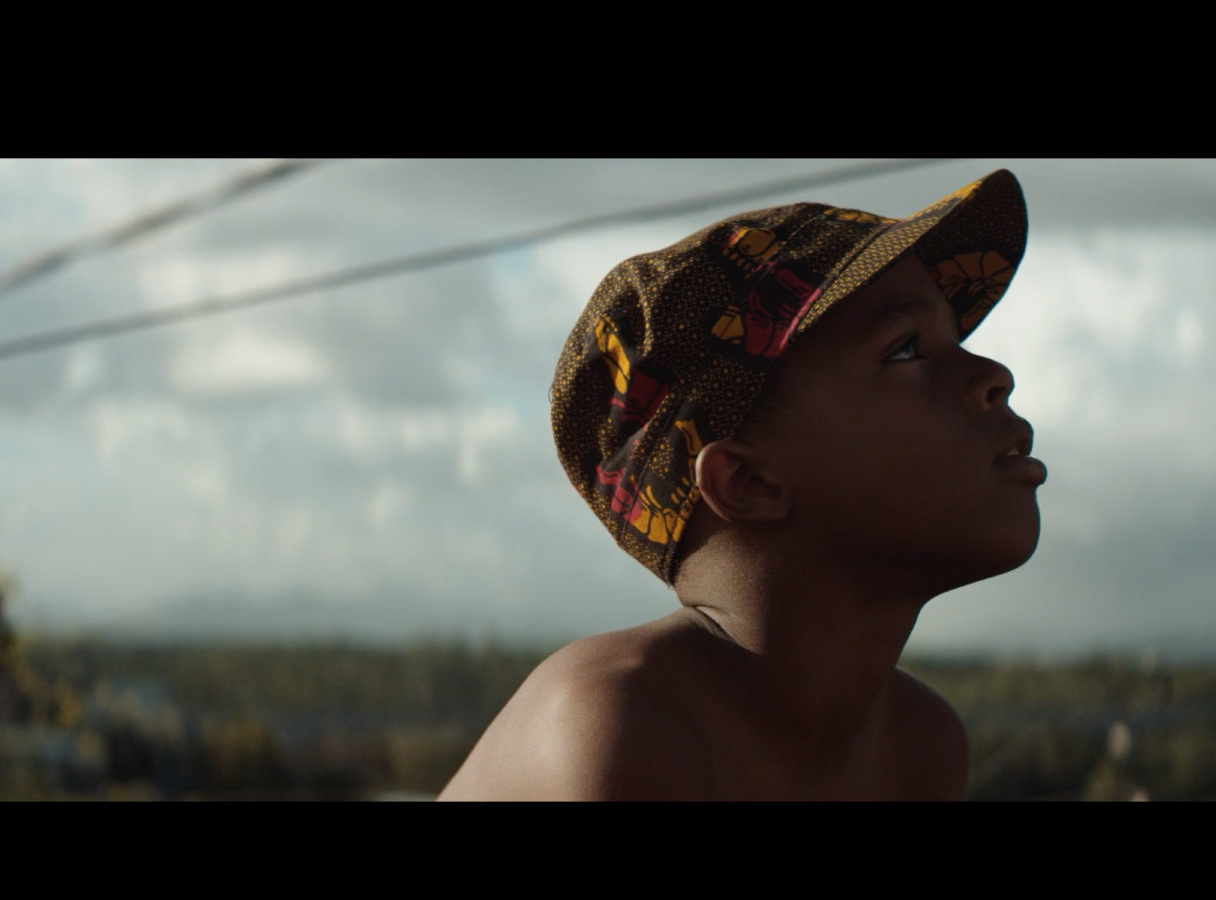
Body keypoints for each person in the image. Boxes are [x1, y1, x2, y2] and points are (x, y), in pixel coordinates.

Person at [438, 169, 1041, 800]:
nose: (995, 373)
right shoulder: (620, 722)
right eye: (905, 350)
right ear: (747, 480)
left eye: (957, 338)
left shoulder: (920, 742)